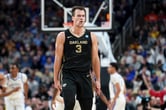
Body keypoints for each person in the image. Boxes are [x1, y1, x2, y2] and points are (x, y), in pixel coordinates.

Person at [54, 6, 101, 110]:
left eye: (83, 16)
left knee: (87, 107)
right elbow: (58, 59)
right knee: (70, 102)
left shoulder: (92, 36)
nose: (81, 18)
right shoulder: (62, 35)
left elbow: (95, 59)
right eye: (79, 16)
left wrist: (98, 79)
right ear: (73, 18)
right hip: (68, 74)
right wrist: (56, 79)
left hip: (85, 75)